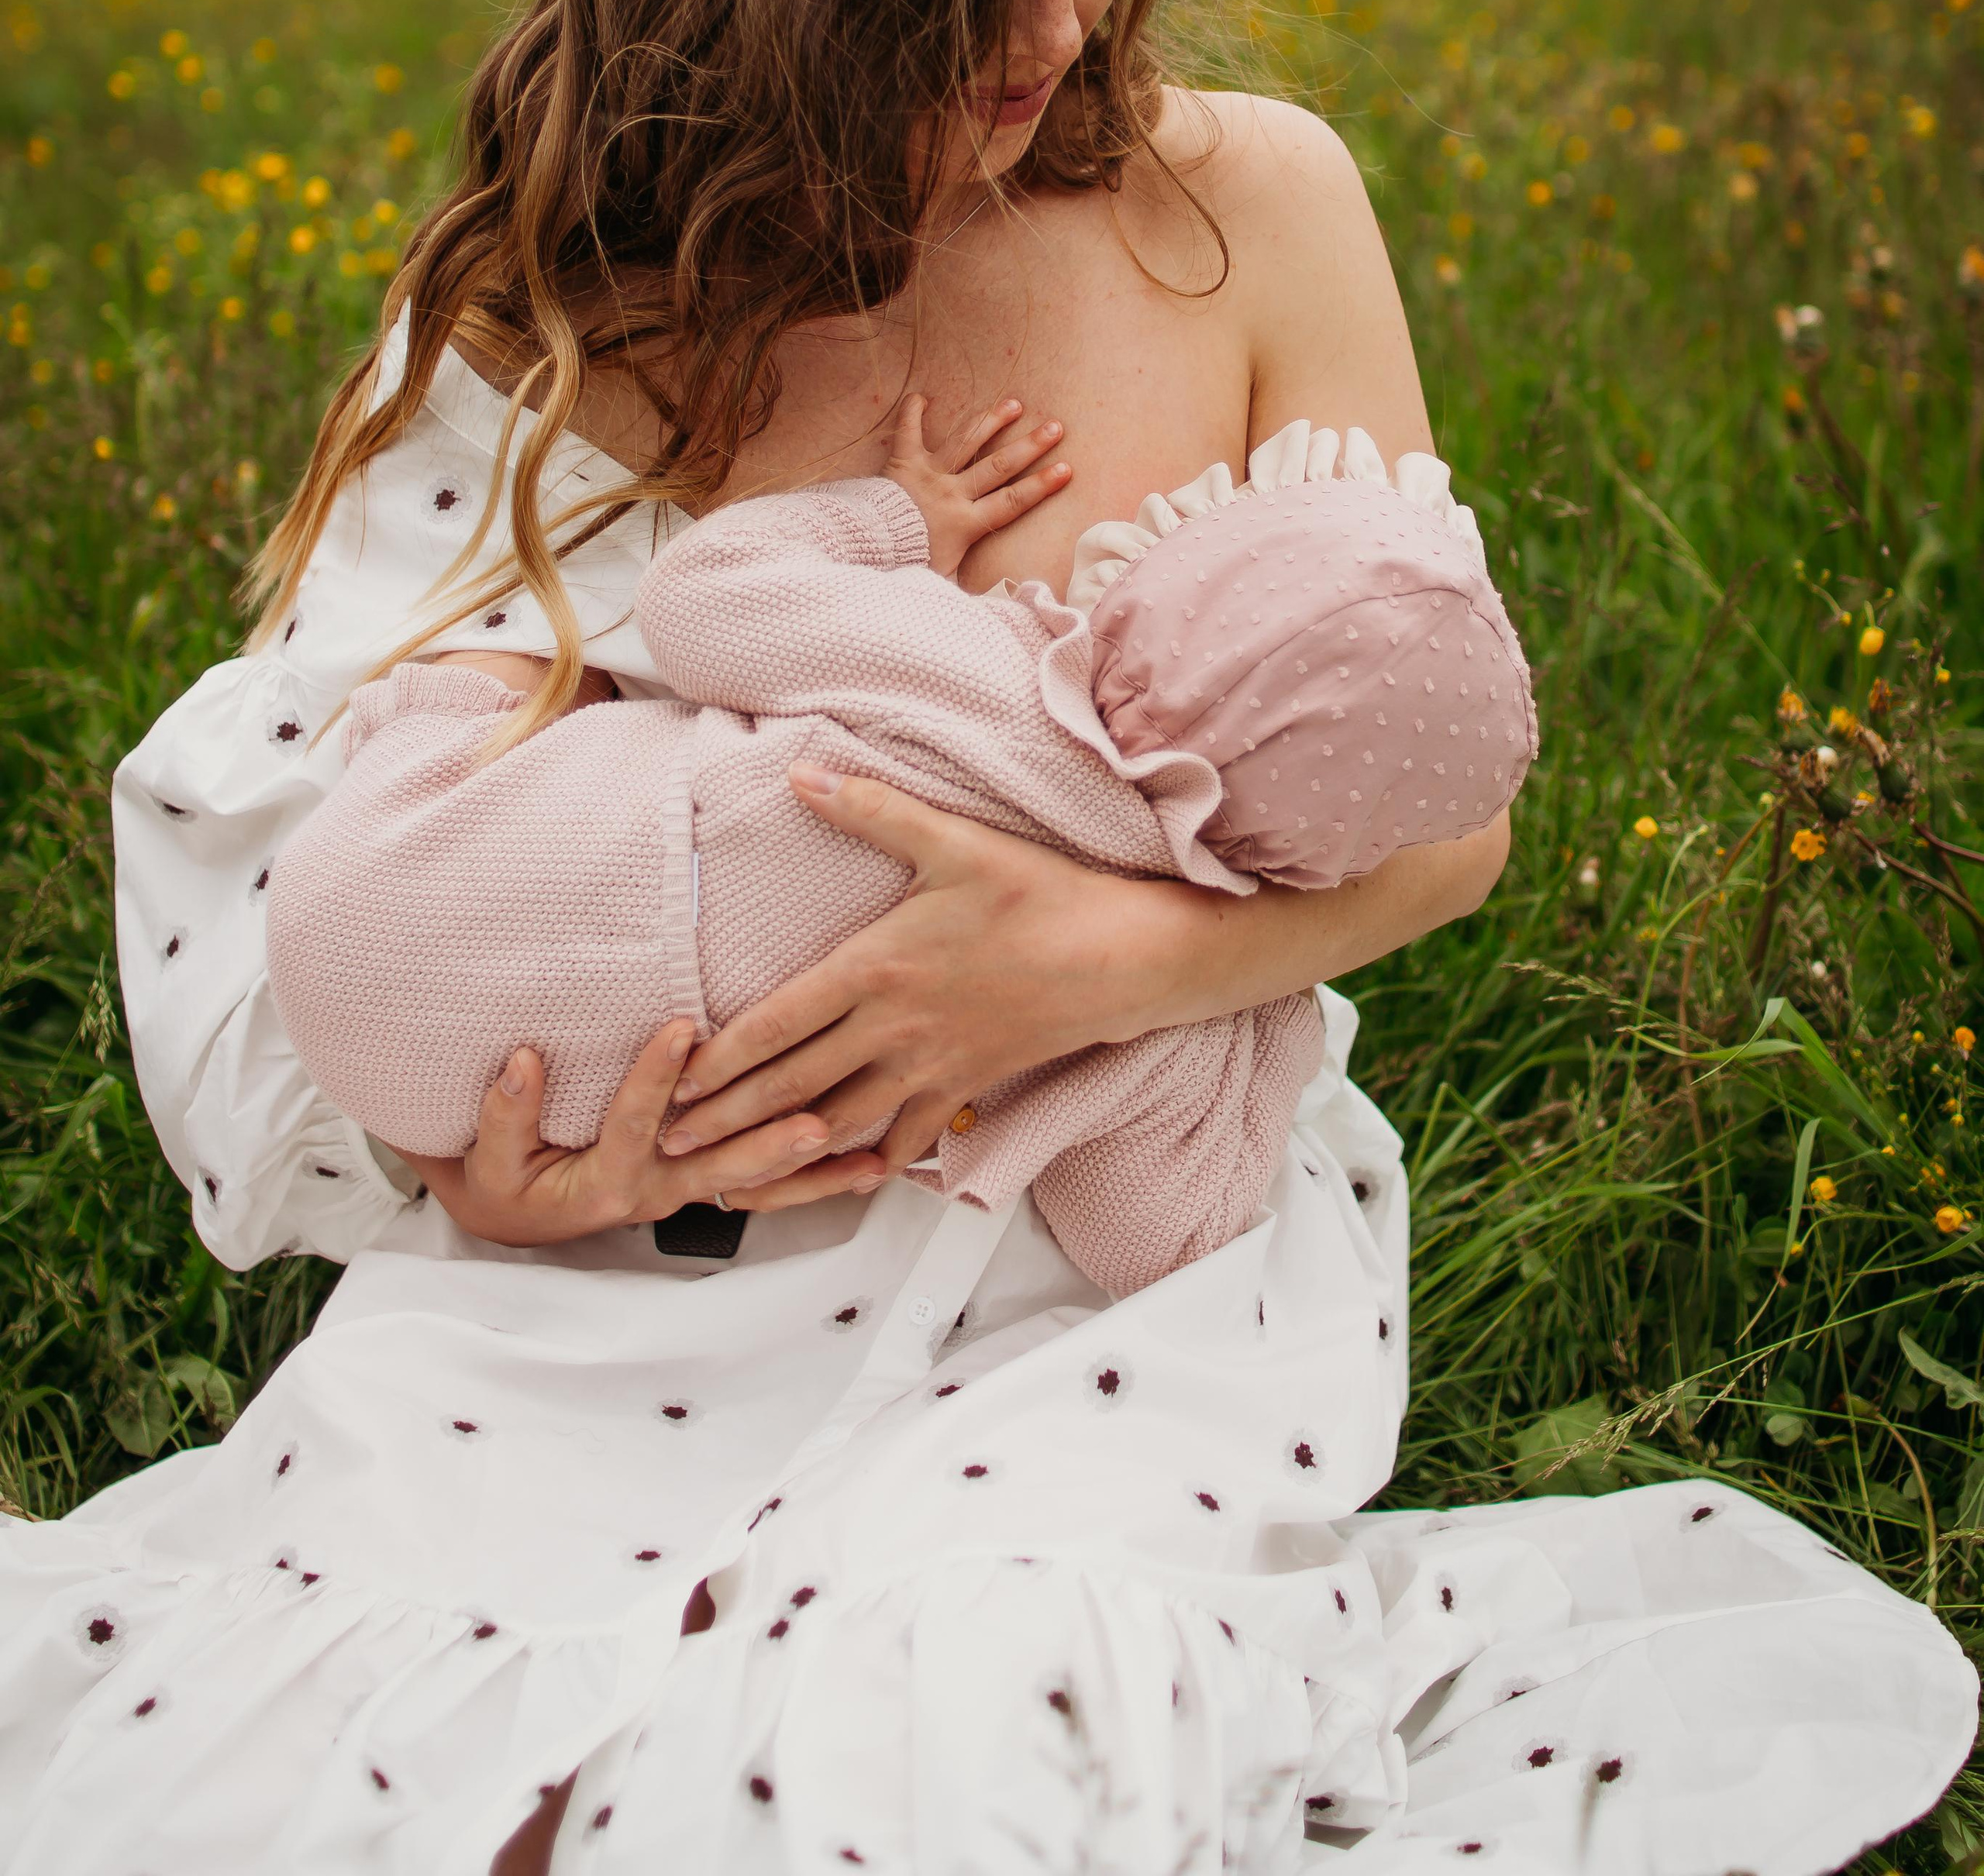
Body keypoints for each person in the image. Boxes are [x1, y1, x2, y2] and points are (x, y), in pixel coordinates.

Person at [0, 0, 1970, 1876]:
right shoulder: (562, 301)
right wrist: (490, 1171)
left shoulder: (1254, 213)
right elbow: (311, 860)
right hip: (652, 1253)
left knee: (919, 1753)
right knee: (383, 1770)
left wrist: (1097, 959)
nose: (1053, 29)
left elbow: (1455, 806)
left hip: (1099, 1256)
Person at [261, 393, 1537, 1296]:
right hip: (477, 1087)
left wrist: (897, 524)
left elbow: (700, 599)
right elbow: (1161, 1235)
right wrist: (1258, 1007)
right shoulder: (1152, 986)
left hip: (370, 862)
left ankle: (450, 729)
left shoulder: (981, 664)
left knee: (533, 692)